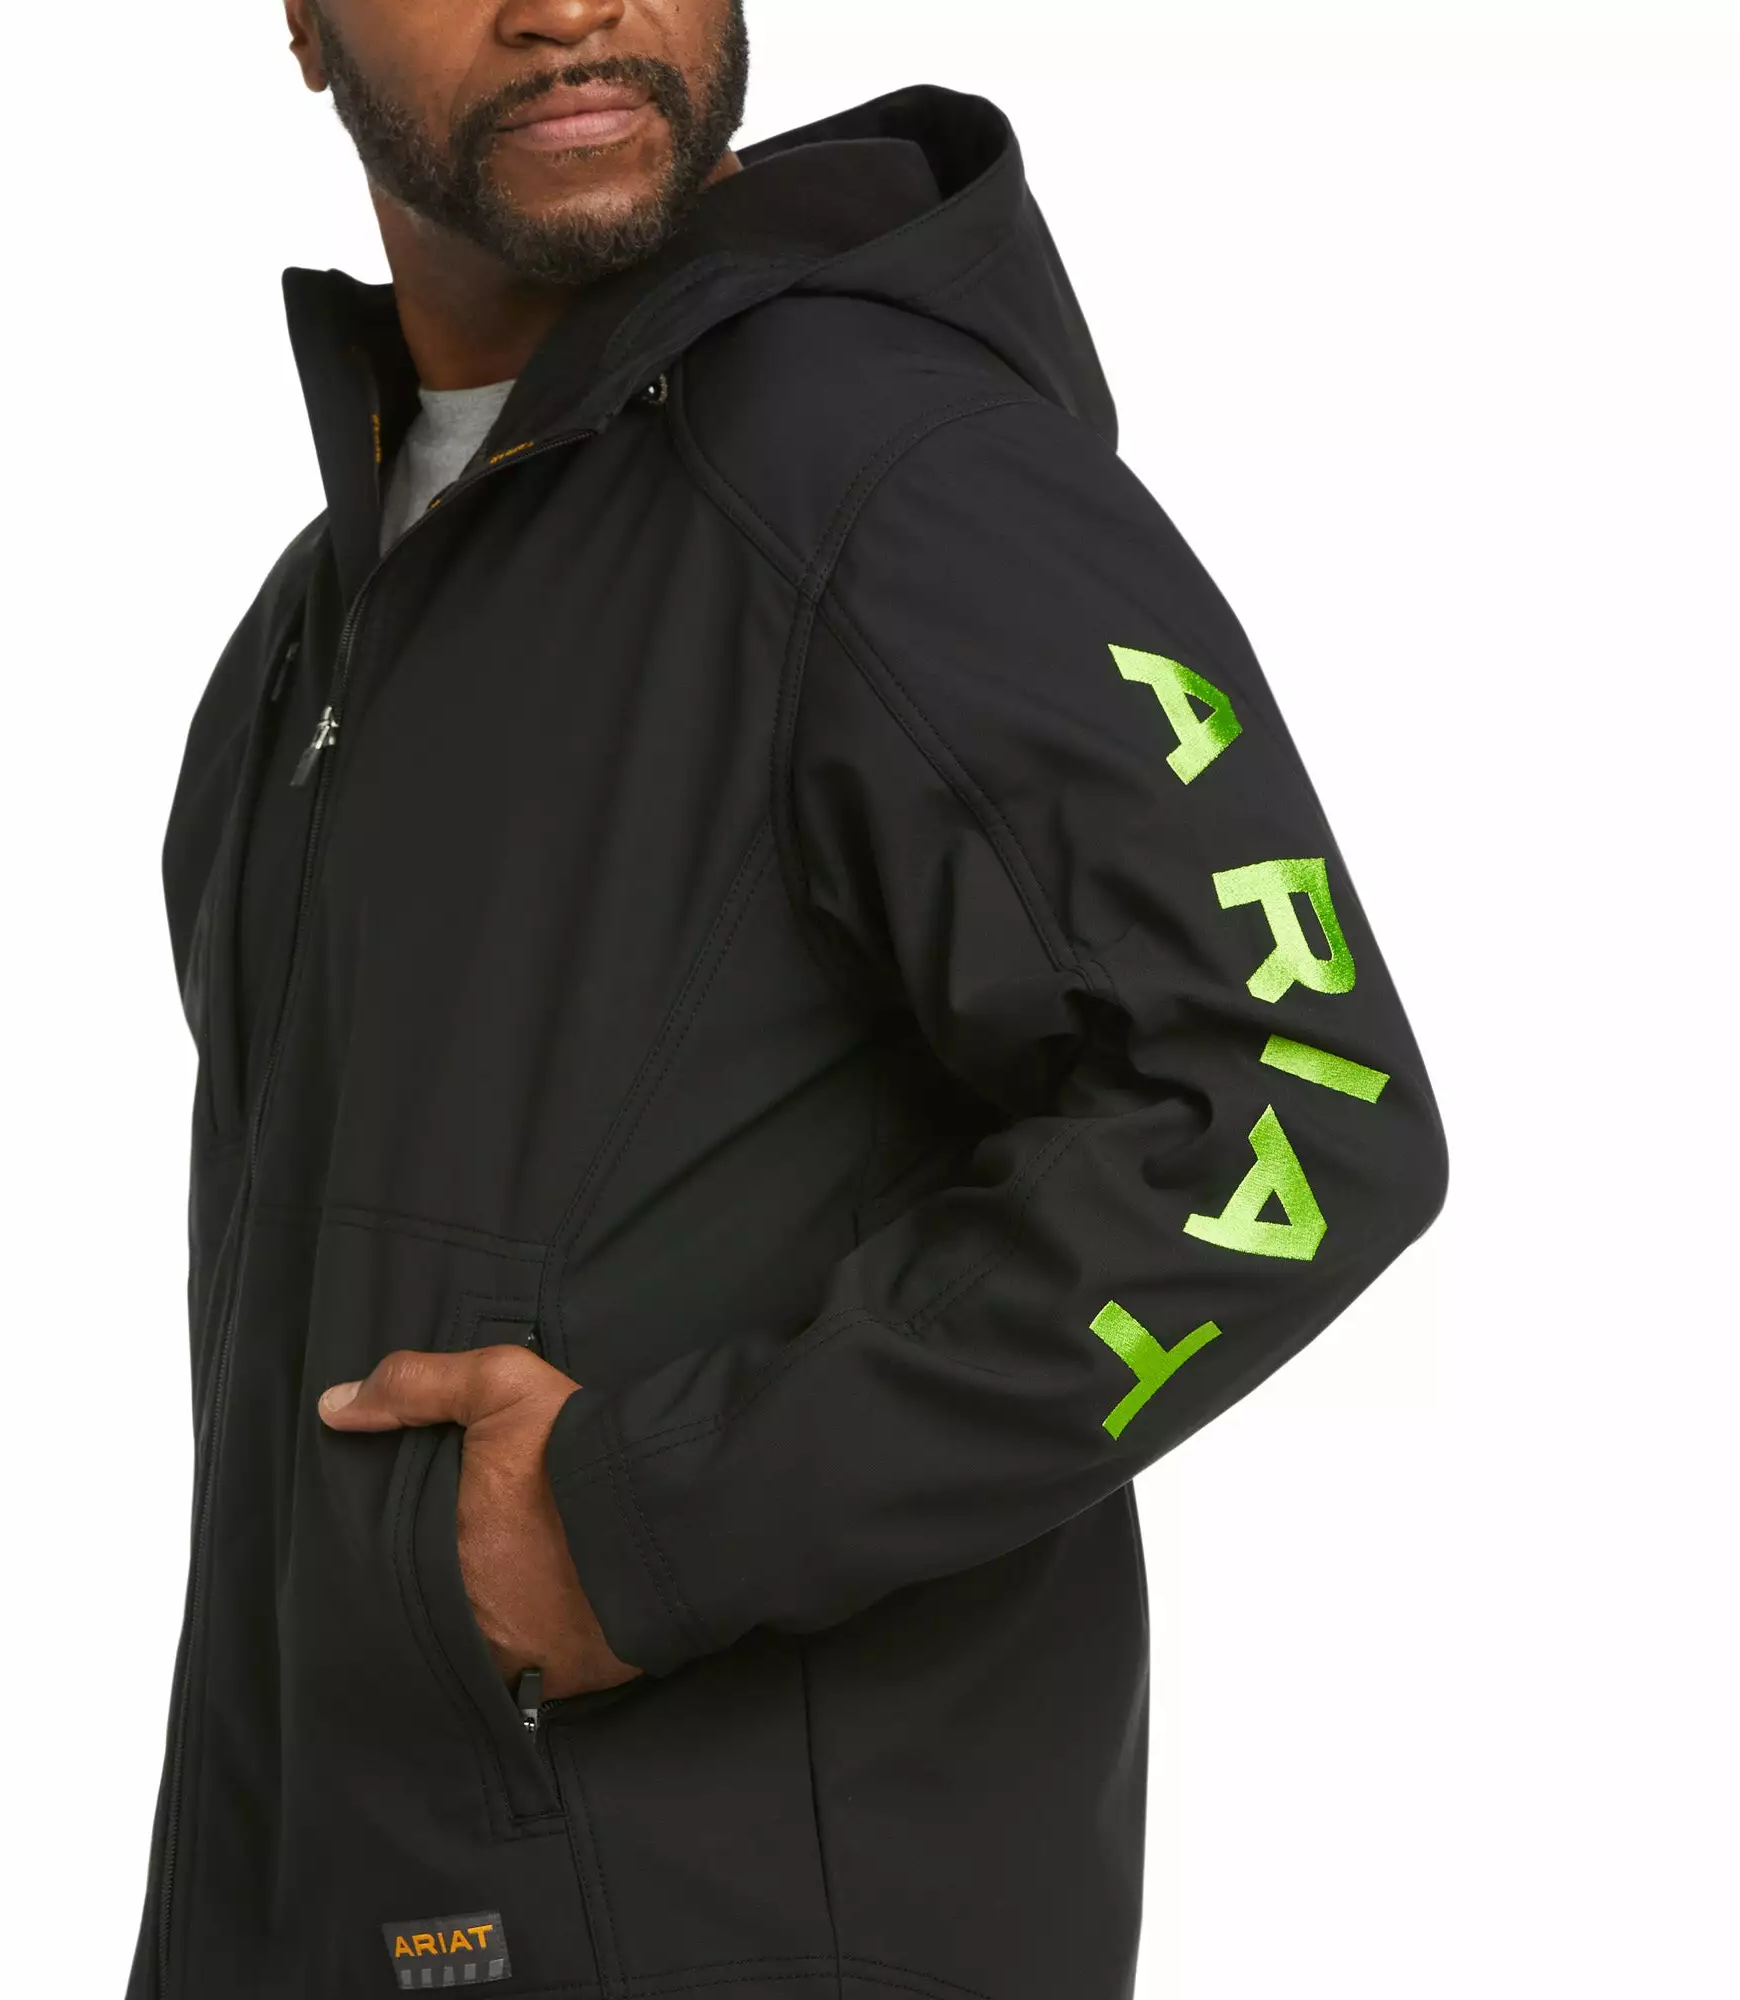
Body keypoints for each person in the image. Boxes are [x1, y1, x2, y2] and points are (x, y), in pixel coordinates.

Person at [131, 2, 1447, 1995]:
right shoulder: (327, 619)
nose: (572, 3)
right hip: (365, 1903)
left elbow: (1288, 1112)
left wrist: (649, 1524)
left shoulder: (885, 471)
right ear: (304, 25)